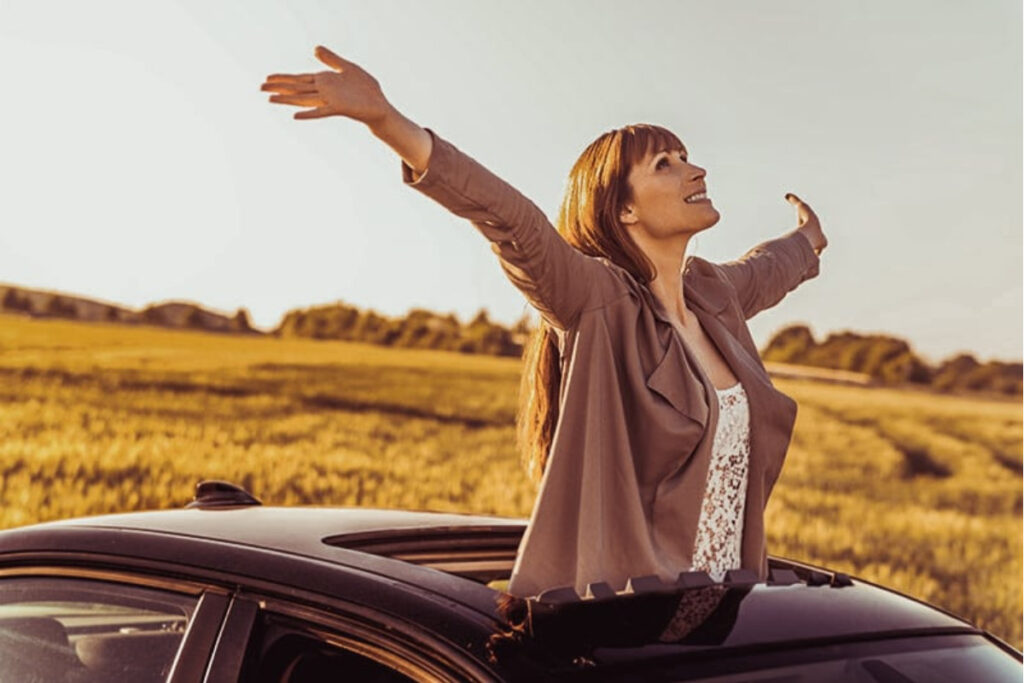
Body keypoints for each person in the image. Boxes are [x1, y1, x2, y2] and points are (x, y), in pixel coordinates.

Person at [262, 46, 828, 600]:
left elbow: (767, 268)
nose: (695, 169)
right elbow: (512, 220)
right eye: (665, 164)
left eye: (685, 156)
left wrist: (807, 239)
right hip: (620, 623)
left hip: (726, 617)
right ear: (623, 209)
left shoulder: (713, 295)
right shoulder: (597, 301)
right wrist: (389, 123)